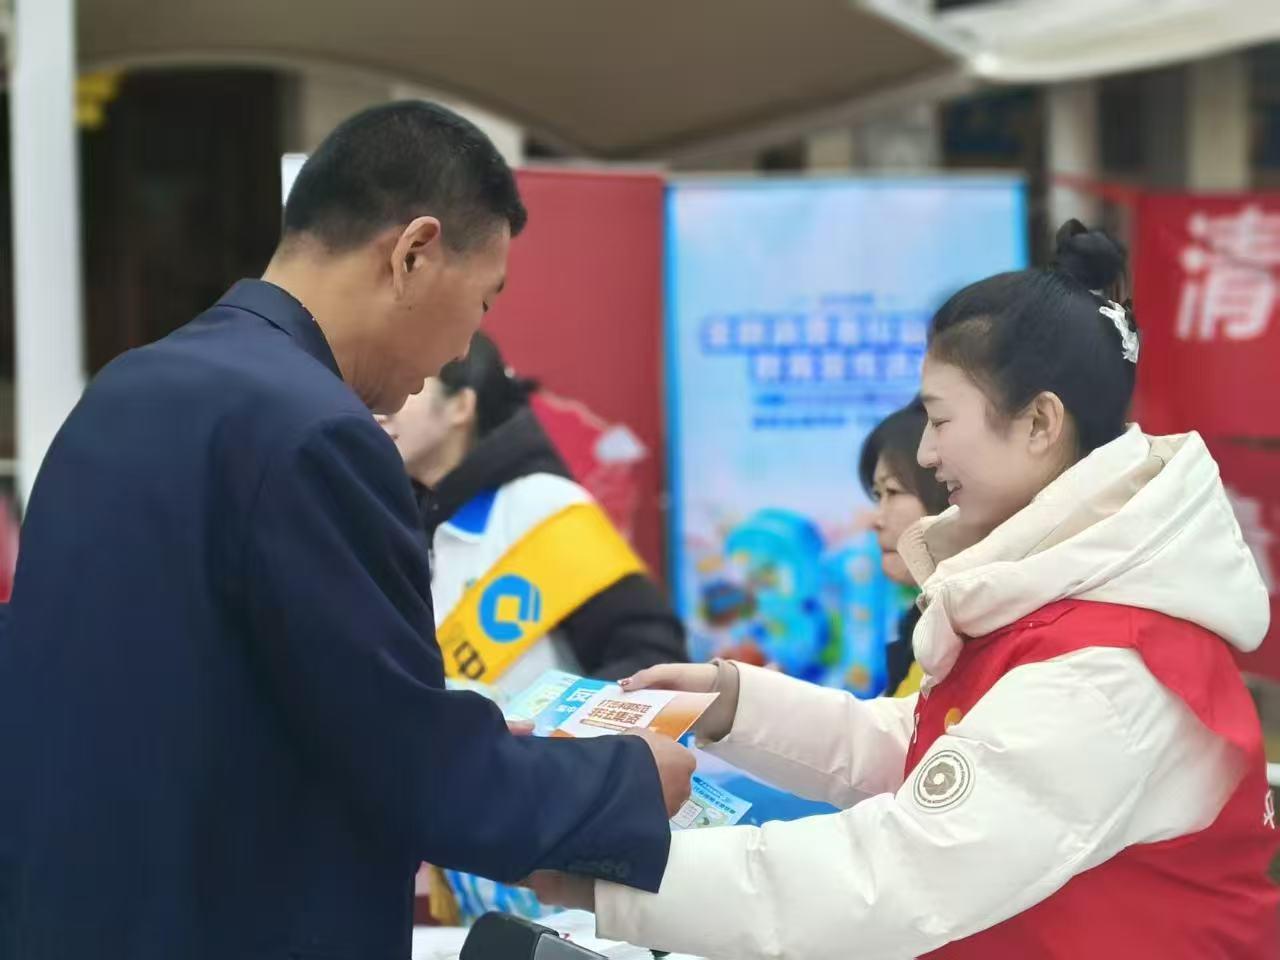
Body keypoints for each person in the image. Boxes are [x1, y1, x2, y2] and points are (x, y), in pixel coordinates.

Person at [0, 102, 694, 959]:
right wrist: (625, 784)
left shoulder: (122, 390)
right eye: (481, 302)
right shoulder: (319, 431)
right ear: (413, 253)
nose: (461, 352)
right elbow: (405, 762)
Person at [528, 221, 1280, 959]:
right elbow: (936, 753)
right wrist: (735, 703)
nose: (925, 453)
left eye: (940, 419)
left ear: (1039, 423)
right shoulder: (1072, 603)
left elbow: (898, 876)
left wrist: (626, 877)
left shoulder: (1109, 667)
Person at [378, 332, 687, 691]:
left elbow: (652, 658)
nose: (380, 409)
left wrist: (542, 722)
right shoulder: (389, 515)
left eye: (410, 382)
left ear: (461, 406)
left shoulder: (543, 506)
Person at [859, 399, 951, 697]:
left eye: (893, 491)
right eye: (878, 495)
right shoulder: (920, 623)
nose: (877, 520)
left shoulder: (970, 631)